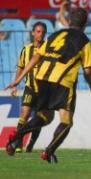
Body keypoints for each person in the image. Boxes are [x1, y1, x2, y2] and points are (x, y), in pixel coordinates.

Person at [5, 8, 91, 164]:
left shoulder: (56, 34)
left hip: (41, 78)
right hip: (62, 81)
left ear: (69, 21)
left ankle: (17, 135)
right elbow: (88, 71)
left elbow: (36, 56)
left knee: (45, 116)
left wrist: (18, 79)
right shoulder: (85, 42)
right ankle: (48, 152)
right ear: (86, 22)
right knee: (66, 121)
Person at [12, 21, 54, 153]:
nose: (40, 34)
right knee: (24, 114)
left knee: (39, 119)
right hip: (29, 87)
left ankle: (31, 144)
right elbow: (20, 68)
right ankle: (18, 143)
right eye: (38, 31)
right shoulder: (26, 50)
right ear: (33, 33)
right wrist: (15, 85)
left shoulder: (49, 51)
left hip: (44, 90)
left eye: (43, 32)